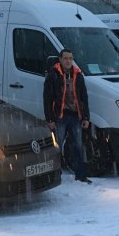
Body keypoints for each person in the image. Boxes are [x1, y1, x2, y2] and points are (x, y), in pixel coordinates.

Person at [43, 48, 92, 184]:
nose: (68, 61)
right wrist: (50, 119)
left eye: (70, 58)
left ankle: (80, 174)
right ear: (60, 59)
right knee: (56, 146)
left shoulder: (78, 75)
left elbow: (84, 98)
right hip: (60, 116)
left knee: (77, 145)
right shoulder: (53, 76)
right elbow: (47, 99)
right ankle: (55, 174)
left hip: (76, 115)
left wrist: (86, 117)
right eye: (65, 58)